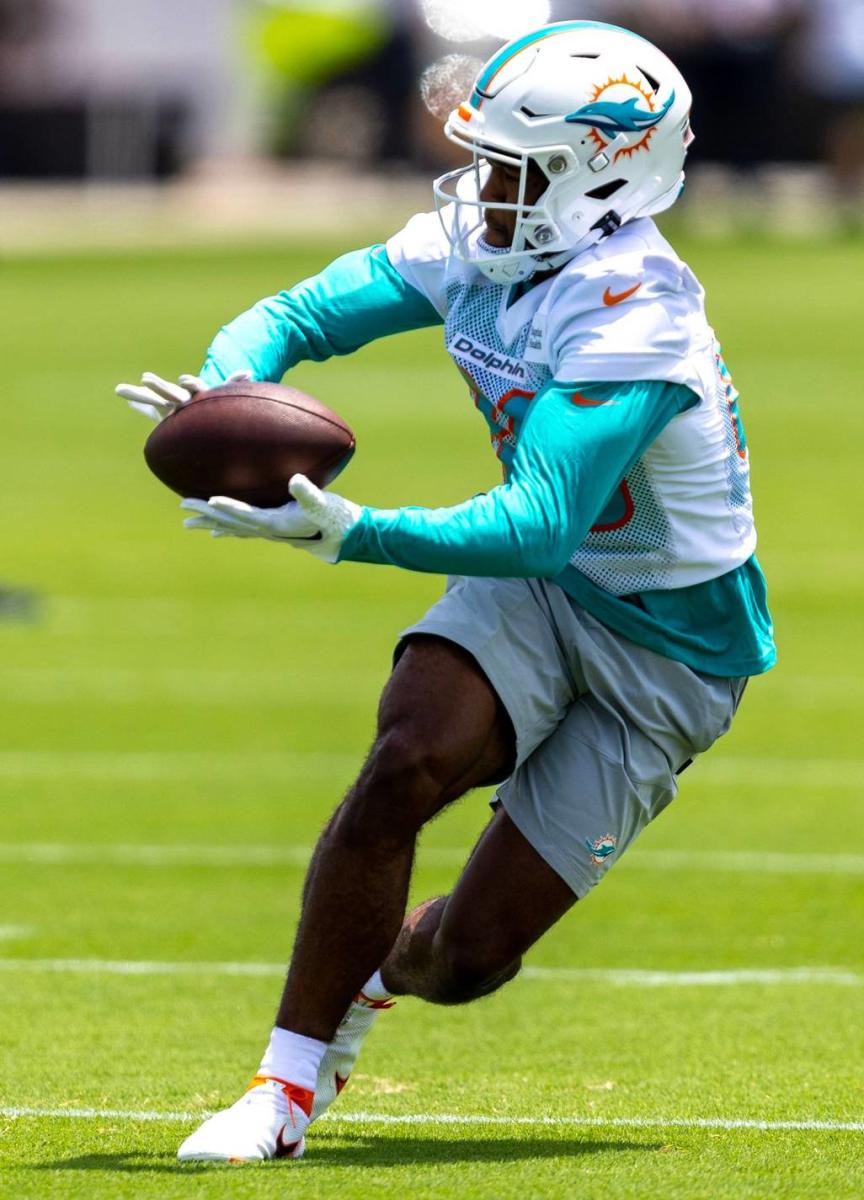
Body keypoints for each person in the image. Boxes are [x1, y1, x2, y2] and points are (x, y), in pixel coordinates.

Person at [117, 19, 775, 1163]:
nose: (482, 190)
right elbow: (294, 316)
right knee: (407, 753)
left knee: (465, 961)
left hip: (668, 654)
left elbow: (535, 524)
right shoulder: (488, 239)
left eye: (512, 170)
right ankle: (281, 1092)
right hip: (554, 592)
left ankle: (379, 987)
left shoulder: (639, 312)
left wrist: (350, 534)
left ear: (599, 181)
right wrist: (230, 390)